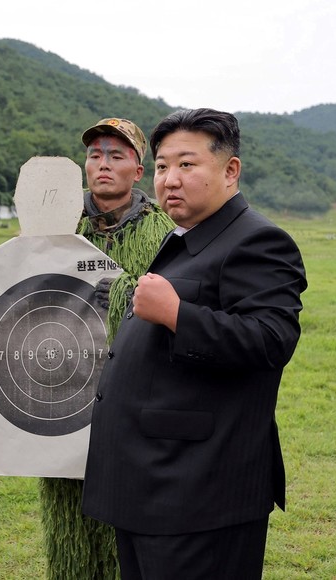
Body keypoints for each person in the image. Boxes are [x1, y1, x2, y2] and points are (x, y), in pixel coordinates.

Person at [81, 108, 308, 579]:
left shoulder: (258, 241)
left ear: (230, 171)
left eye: (187, 165)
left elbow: (271, 340)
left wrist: (178, 314)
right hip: (155, 486)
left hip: (199, 494)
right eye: (163, 166)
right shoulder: (188, 237)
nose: (170, 179)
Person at [0, 118, 175, 579]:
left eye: (116, 155)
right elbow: (11, 321)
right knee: (69, 528)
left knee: (128, 528)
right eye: (95, 155)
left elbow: (175, 321)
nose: (103, 164)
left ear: (139, 170)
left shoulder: (163, 237)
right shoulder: (49, 233)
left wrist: (123, 297)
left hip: (132, 406)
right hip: (59, 402)